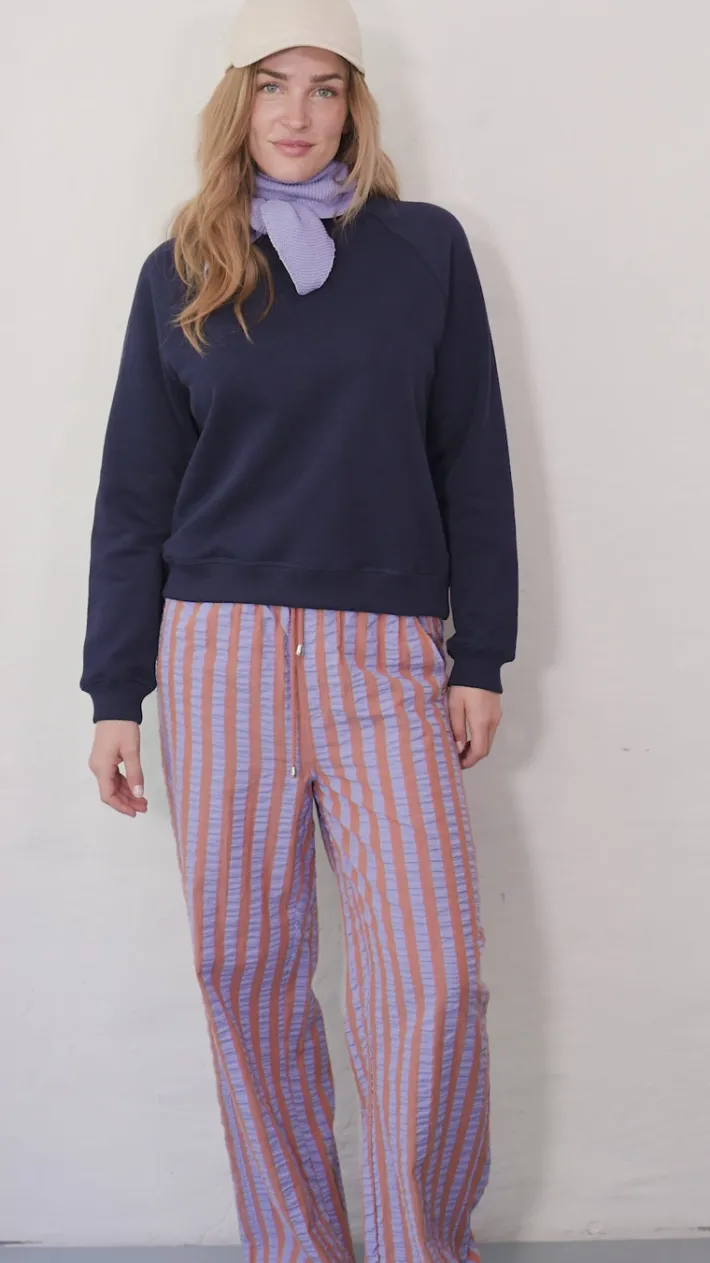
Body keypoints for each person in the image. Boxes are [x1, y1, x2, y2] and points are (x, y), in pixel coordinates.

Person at [80, 0, 518, 1257]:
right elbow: (135, 495)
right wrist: (114, 693)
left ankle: (418, 1244)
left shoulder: (424, 250)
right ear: (237, 101)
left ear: (354, 107)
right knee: (247, 974)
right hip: (215, 651)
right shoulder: (181, 267)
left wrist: (479, 653)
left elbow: (470, 458)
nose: (298, 112)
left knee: (433, 978)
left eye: (325, 88)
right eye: (273, 84)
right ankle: (296, 1246)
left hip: (385, 654)